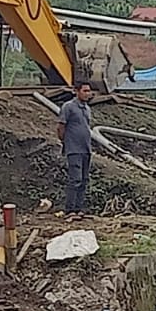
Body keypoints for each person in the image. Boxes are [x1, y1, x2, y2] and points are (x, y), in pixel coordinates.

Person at [57, 81, 96, 218]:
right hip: (74, 149)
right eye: (85, 91)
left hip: (86, 149)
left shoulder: (87, 108)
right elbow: (61, 126)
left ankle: (79, 208)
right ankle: (70, 209)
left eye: (89, 91)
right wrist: (65, 142)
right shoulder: (68, 107)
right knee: (75, 179)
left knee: (84, 179)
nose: (88, 94)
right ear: (76, 91)